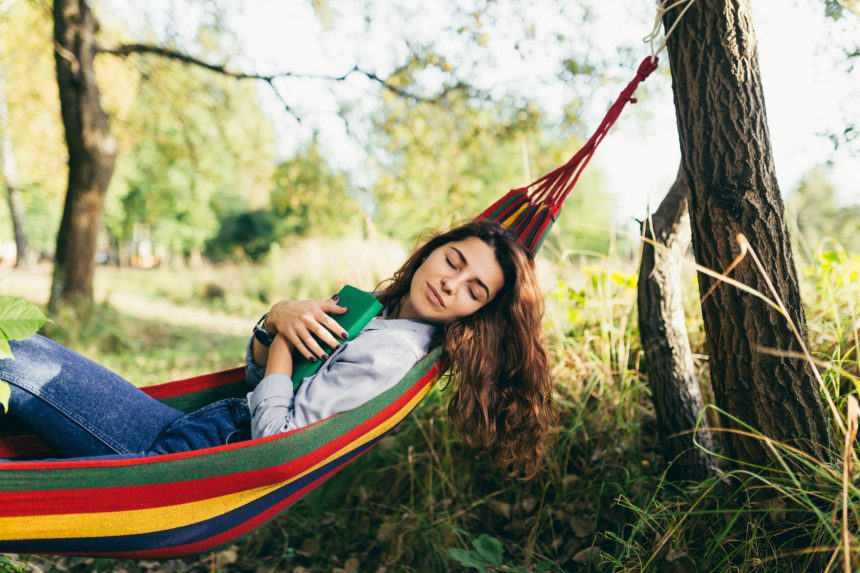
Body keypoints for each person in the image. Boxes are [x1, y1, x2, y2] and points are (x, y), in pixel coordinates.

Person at [0, 219, 556, 476]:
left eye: (473, 289)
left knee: (14, 360)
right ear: (433, 251)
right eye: (452, 260)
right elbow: (256, 377)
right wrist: (275, 323)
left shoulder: (393, 357)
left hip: (188, 465)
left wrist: (288, 330)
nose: (450, 283)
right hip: (196, 432)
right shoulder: (376, 314)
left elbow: (277, 441)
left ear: (477, 313)